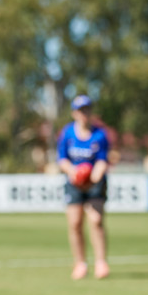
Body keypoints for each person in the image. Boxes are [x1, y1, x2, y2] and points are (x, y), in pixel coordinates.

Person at [57, 95, 110, 280]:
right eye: (80, 110)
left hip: (95, 182)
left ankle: (101, 262)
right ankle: (80, 263)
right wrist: (73, 172)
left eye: (87, 109)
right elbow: (62, 159)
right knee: (75, 223)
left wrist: (94, 175)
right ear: (74, 113)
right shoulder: (67, 133)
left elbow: (103, 159)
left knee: (96, 220)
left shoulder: (100, 134)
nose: (84, 113)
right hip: (74, 183)